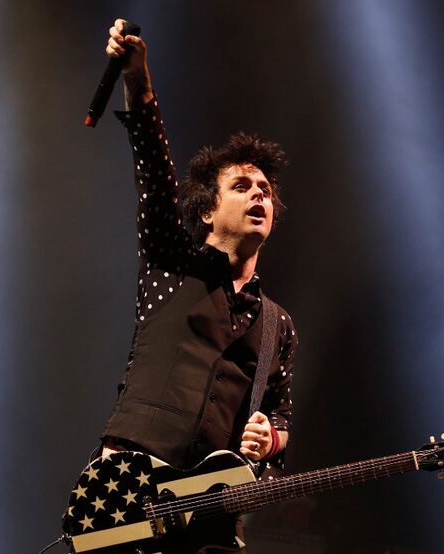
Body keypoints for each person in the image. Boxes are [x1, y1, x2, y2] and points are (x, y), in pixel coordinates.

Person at [96, 15, 298, 525]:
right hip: (129, 489)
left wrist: (269, 438)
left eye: (266, 191)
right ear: (207, 210)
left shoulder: (278, 325)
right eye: (243, 186)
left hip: (207, 510)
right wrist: (137, 77)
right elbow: (152, 165)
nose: (259, 194)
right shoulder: (171, 260)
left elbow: (280, 416)